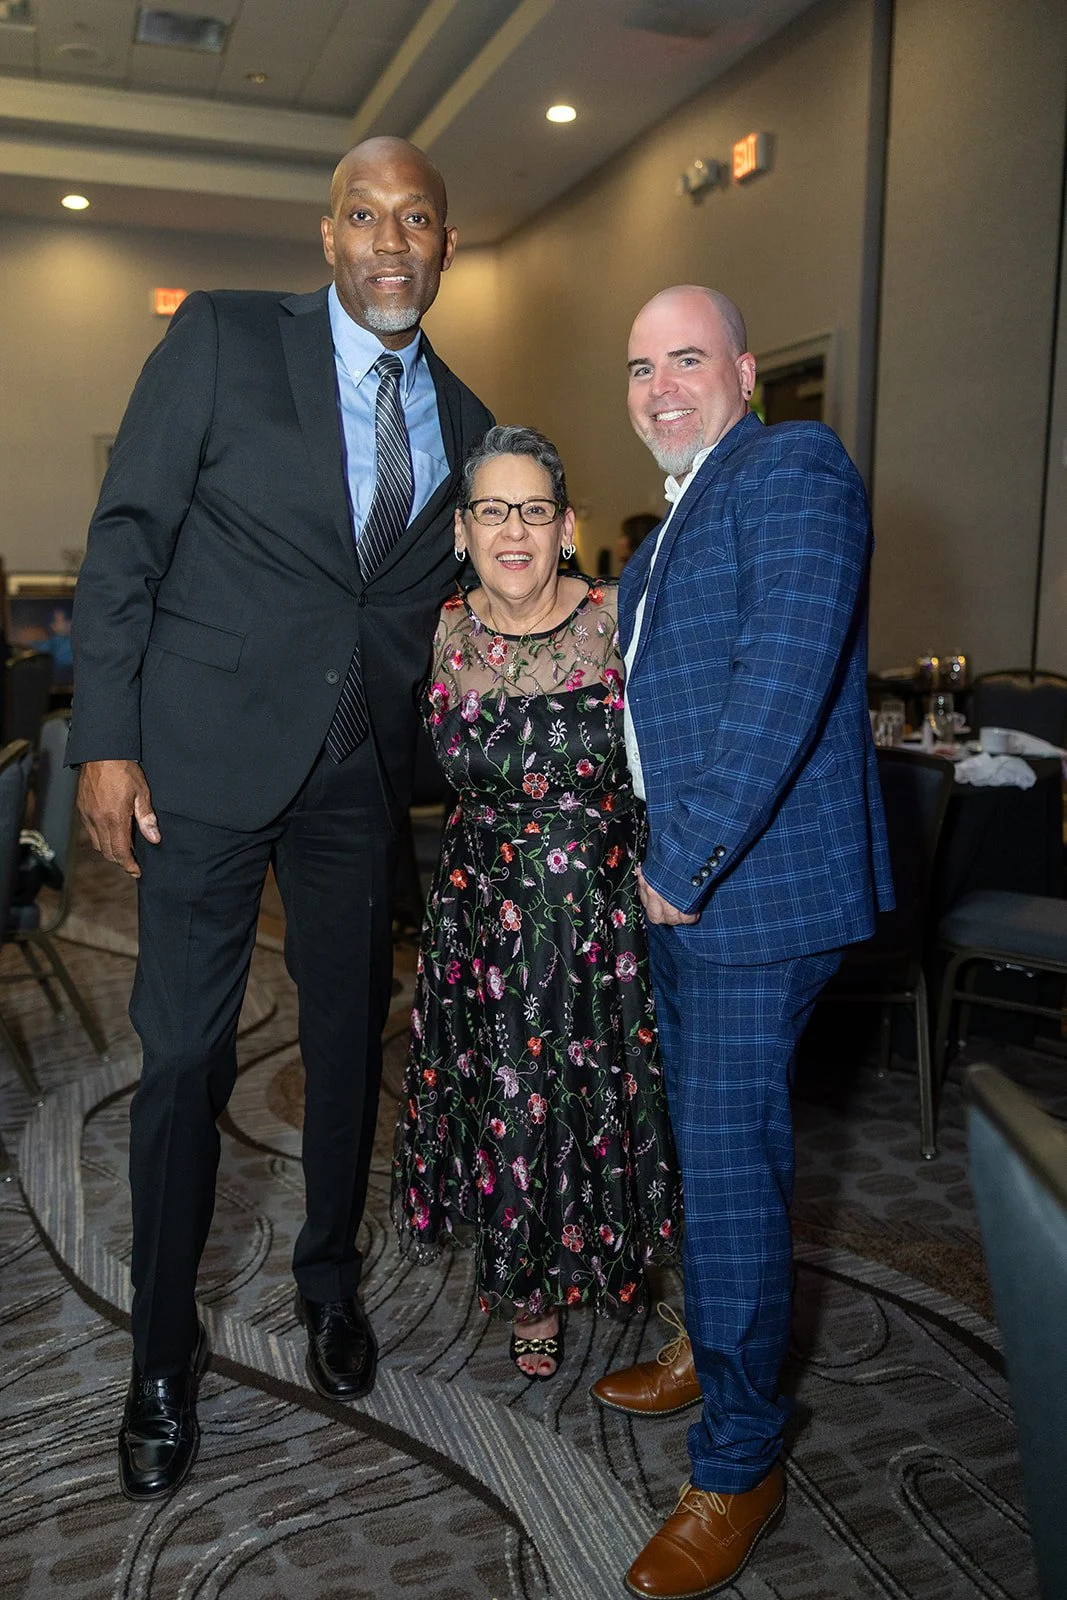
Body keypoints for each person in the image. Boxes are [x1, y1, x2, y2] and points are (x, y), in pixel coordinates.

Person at [69, 136, 493, 1501]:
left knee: (341, 1046)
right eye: (362, 215)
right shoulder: (222, 340)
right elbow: (127, 535)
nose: (388, 239)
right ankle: (156, 1354)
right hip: (195, 761)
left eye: (414, 218)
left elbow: (459, 613)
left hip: (355, 784)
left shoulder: (473, 424)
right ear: (325, 238)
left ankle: (328, 1280)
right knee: (186, 1058)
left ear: (444, 247)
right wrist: (108, 741)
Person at [592, 286, 893, 1598]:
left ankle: (737, 1460)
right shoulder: (663, 533)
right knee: (684, 1140)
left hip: (744, 894)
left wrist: (676, 860)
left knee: (723, 1168)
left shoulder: (790, 466)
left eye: (686, 359)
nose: (660, 385)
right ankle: (707, 1343)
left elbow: (777, 675)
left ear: (745, 371)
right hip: (680, 886)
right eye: (638, 367)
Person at [392, 425, 682, 1378]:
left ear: (564, 527)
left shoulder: (618, 617)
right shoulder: (435, 630)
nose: (511, 529)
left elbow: (679, 759)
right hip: (483, 917)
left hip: (602, 917)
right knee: (507, 1102)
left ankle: (608, 1255)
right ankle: (528, 1289)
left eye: (533, 509)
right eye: (490, 510)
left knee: (595, 1095)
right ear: (463, 532)